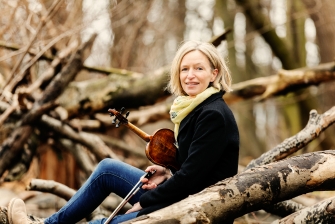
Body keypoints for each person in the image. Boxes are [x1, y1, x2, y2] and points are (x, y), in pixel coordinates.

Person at [7, 40, 239, 224]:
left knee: (108, 222)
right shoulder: (195, 108)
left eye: (199, 69)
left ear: (214, 74)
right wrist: (166, 171)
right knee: (108, 169)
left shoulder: (213, 115)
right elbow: (196, 163)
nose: (190, 75)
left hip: (195, 205)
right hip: (184, 192)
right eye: (184, 69)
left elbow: (192, 178)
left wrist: (145, 201)